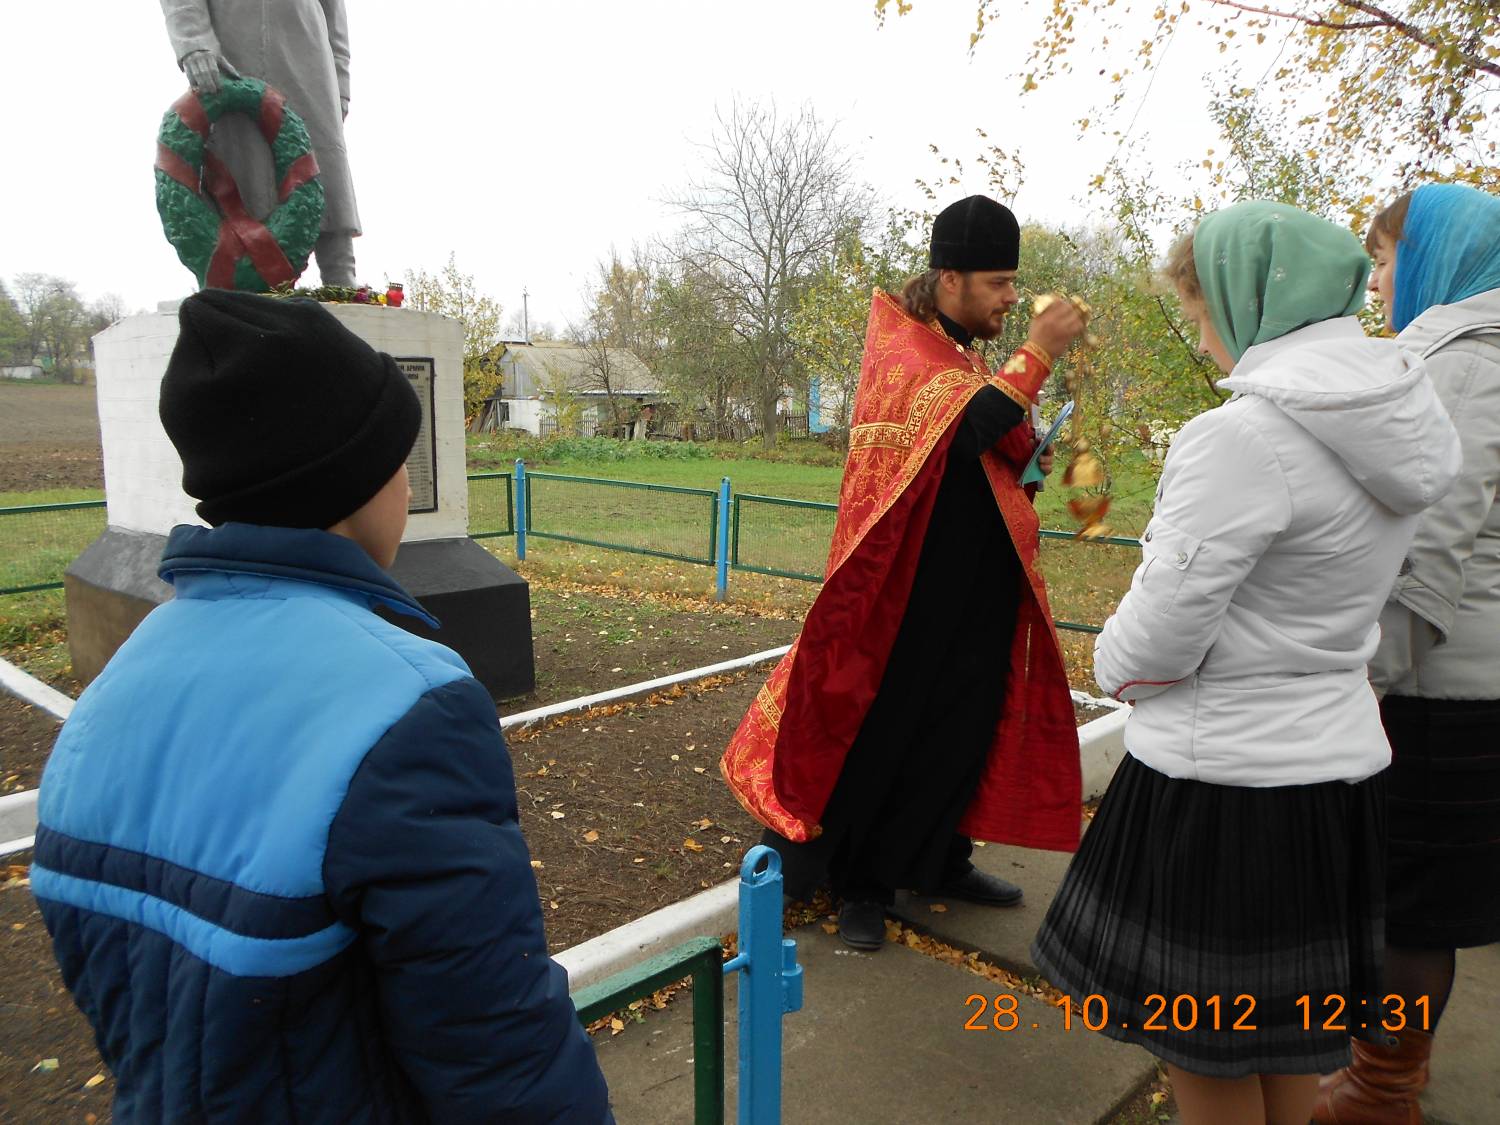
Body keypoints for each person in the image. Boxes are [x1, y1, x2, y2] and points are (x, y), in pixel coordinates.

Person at [31, 291, 612, 1123]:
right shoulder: (413, 707)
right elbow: (500, 1054)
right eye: (398, 458)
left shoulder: (109, 694)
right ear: (355, 482)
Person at [1030, 201, 1461, 1125]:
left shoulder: (1241, 437)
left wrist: (1110, 663)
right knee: (1286, 1034)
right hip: (1334, 777)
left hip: (1221, 788)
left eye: (1199, 314)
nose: (1201, 339)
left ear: (1245, 299)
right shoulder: (1399, 417)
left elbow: (1158, 639)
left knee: (1207, 1046)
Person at [720, 195, 1088, 951]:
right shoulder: (908, 350)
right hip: (907, 587)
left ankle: (940, 860)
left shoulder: (966, 357)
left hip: (980, 586)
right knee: (890, 727)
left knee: (964, 727)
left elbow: (979, 444)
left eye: (1013, 282)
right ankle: (861, 884)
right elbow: (962, 431)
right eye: (998, 282)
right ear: (950, 278)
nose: (1010, 297)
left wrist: (1028, 456)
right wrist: (1039, 352)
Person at [1313, 182, 1500, 1125]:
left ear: (1435, 258)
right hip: (1461, 676)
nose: (1379, 281)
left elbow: (1428, 552)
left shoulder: (1467, 362)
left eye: (1387, 259)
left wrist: (1355, 682)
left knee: (1412, 905)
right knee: (1420, 897)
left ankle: (1378, 1090)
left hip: (1438, 683)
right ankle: (1388, 1073)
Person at [161, 0, 361, 285]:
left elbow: (335, 17)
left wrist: (341, 85)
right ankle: (244, 274)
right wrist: (193, 43)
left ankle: (340, 269)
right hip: (232, 47)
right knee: (241, 156)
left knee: (324, 152)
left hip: (309, 49)